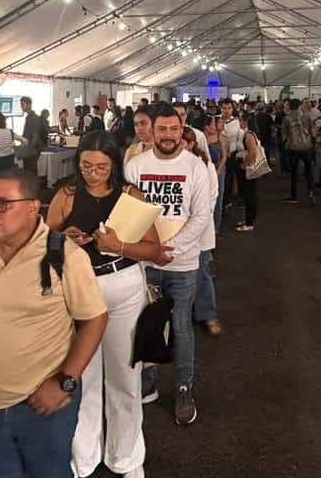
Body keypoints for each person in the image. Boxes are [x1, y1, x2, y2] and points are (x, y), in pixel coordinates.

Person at [0, 169, 108, 478]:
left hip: (41, 405)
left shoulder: (64, 256)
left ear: (33, 207)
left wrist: (66, 382)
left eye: (3, 203)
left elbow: (95, 319)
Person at [47, 133, 171, 478]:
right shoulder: (66, 195)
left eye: (101, 167)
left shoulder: (130, 195)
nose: (93, 173)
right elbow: (43, 241)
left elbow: (155, 250)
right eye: (86, 166)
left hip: (123, 284)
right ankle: (83, 460)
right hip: (80, 286)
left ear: (114, 165)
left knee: (124, 377)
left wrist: (119, 247)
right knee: (82, 376)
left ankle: (126, 457)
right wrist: (63, 239)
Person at [126, 104, 212, 425]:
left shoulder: (195, 167)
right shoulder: (136, 166)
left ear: (181, 130)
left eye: (174, 129)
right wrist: (149, 253)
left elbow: (201, 216)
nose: (168, 135)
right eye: (161, 129)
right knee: (146, 325)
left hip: (182, 265)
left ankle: (183, 386)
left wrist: (169, 251)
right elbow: (128, 213)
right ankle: (147, 383)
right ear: (152, 130)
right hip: (144, 264)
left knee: (181, 326)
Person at [183, 126, 223, 337]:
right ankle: (180, 315)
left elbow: (212, 195)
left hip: (199, 229)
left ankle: (207, 313)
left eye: (184, 143)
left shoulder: (205, 165)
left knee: (202, 272)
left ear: (192, 144)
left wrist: (196, 221)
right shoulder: (170, 166)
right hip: (174, 230)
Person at [282, 98, 316, 206]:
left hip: (294, 148)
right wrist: (312, 143)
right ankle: (310, 192)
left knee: (294, 172)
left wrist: (286, 144)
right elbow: (313, 133)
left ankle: (294, 195)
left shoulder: (286, 119)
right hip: (306, 147)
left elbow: (284, 136)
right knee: (309, 171)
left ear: (289, 106)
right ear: (299, 106)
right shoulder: (306, 117)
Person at [233, 124, 264, 233]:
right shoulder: (246, 134)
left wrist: (244, 165)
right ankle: (248, 220)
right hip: (248, 168)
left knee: (250, 195)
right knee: (248, 195)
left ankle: (249, 223)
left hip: (248, 168)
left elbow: (253, 152)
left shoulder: (248, 135)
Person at [205, 117, 229, 233]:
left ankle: (216, 228)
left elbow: (224, 156)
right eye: (213, 125)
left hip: (219, 172)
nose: (215, 127)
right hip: (206, 173)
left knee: (218, 199)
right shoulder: (203, 139)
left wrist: (218, 170)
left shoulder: (222, 139)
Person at [20, 97, 46, 175]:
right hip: (29, 147)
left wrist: (30, 150)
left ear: (29, 105)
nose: (21, 107)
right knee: (28, 170)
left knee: (30, 171)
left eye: (22, 104)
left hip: (33, 148)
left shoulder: (34, 118)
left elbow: (35, 136)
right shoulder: (28, 117)